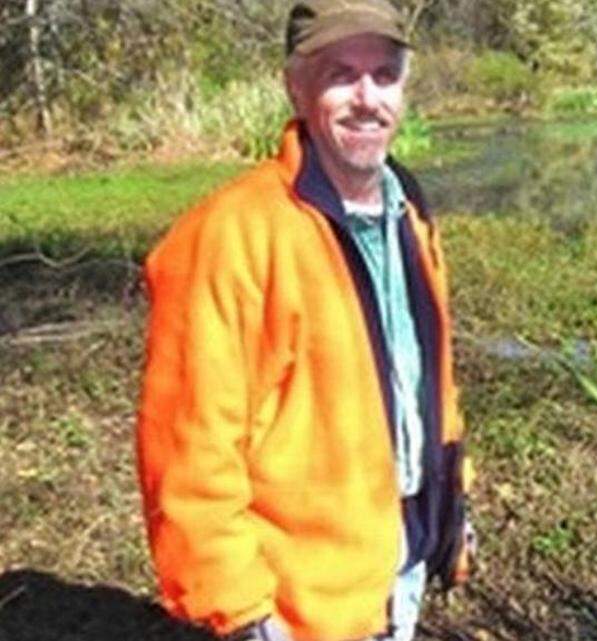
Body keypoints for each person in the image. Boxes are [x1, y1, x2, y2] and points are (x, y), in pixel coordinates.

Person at [135, 2, 473, 640]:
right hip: (297, 607)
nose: (367, 98)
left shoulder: (409, 209)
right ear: (297, 86)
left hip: (395, 567)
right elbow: (188, 455)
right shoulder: (229, 237)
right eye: (341, 74)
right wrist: (241, 614)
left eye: (386, 74)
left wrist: (453, 508)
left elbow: (429, 380)